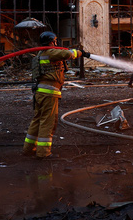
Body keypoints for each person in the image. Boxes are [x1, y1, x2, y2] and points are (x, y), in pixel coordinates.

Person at [23, 31, 89, 159]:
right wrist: (81, 52)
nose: (56, 43)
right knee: (48, 122)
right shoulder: (51, 52)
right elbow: (69, 54)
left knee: (37, 120)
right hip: (49, 93)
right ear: (51, 41)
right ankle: (43, 153)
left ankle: (28, 149)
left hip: (40, 92)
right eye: (55, 41)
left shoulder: (41, 54)